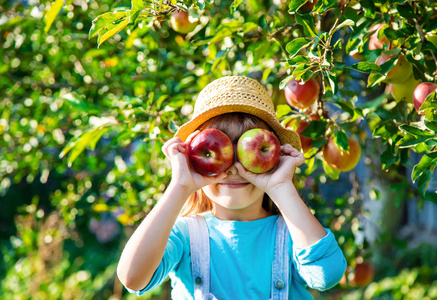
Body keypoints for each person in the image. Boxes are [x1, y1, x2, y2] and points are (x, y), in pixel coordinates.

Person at [117, 76, 347, 299]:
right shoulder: (185, 235)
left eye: (247, 152)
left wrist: (280, 186)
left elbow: (326, 274)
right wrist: (179, 186)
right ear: (194, 159)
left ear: (275, 155)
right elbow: (133, 278)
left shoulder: (294, 235)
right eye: (219, 151)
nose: (235, 168)